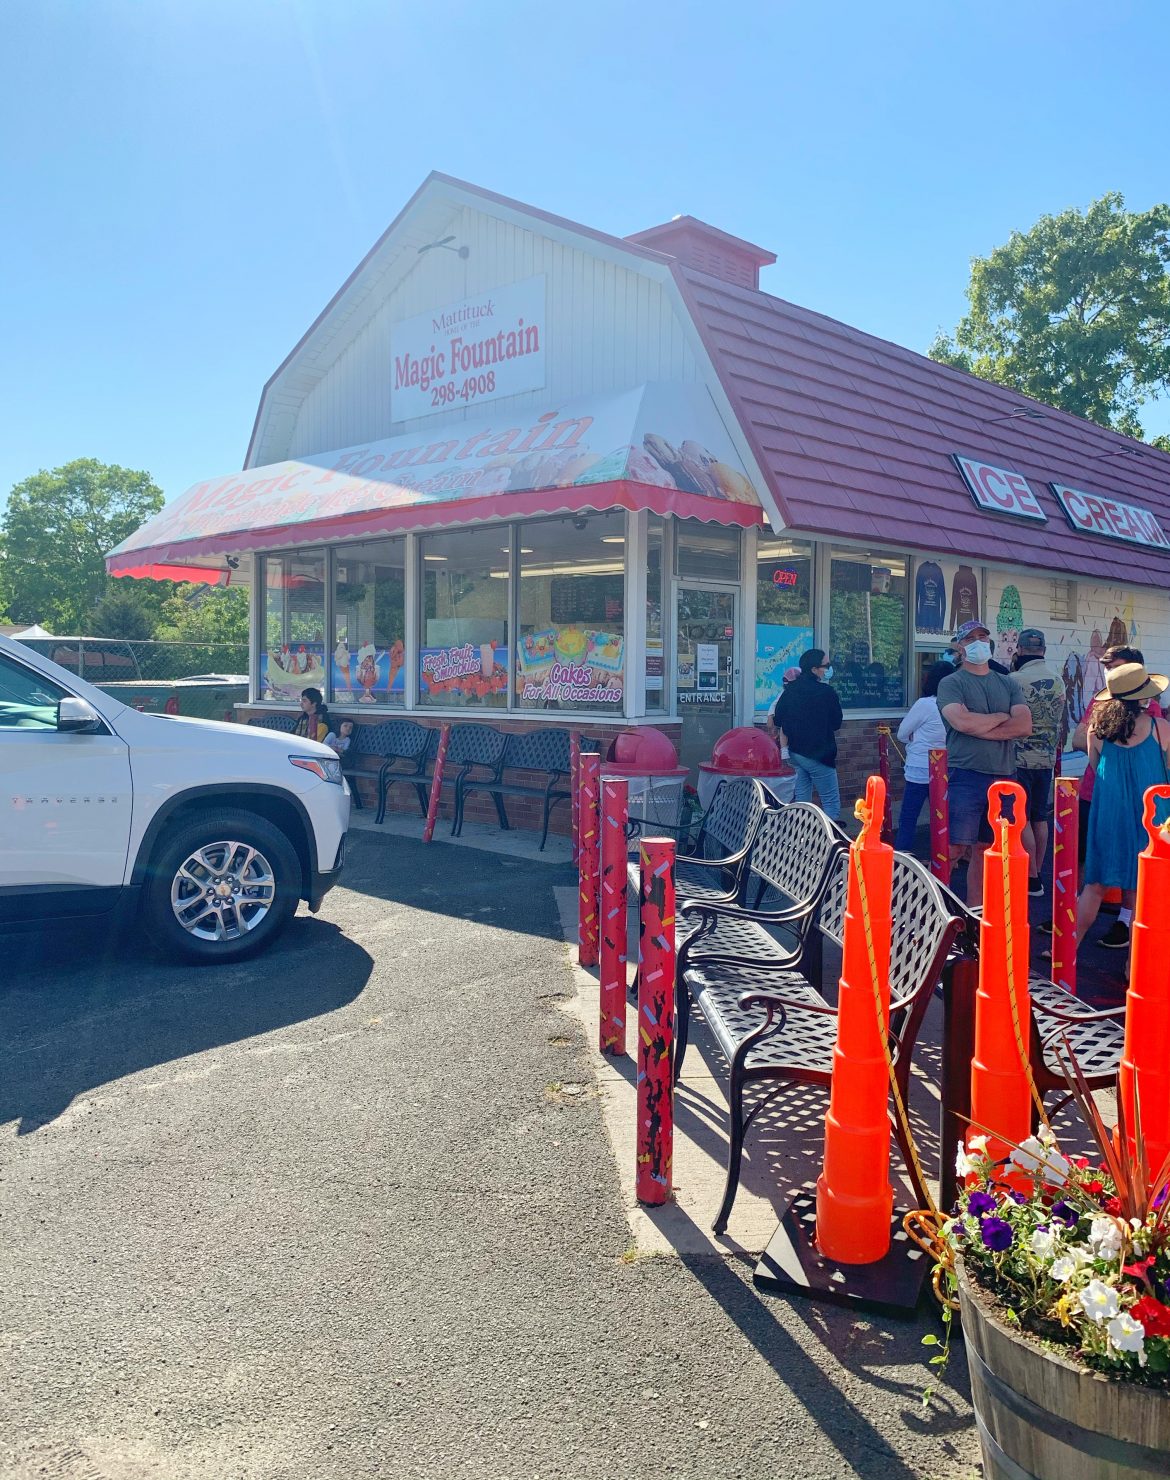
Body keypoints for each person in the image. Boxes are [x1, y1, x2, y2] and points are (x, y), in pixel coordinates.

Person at [1071, 645, 1167, 949]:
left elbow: (1094, 766)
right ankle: (1133, 965)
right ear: (1140, 697)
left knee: (1094, 886)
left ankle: (1065, 951)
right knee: (1146, 889)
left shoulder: (1096, 729)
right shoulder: (1160, 728)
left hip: (1108, 812)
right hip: (1151, 815)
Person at [936, 619, 1032, 903]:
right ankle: (933, 906)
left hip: (1004, 775)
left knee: (986, 848)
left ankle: (976, 909)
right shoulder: (951, 683)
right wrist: (1002, 717)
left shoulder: (1007, 682)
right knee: (952, 848)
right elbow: (961, 722)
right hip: (965, 774)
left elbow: (1024, 726)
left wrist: (982, 725)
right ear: (959, 646)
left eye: (983, 636)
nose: (979, 642)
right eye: (971, 638)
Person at [1011, 629, 1067, 898]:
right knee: (1039, 817)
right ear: (1043, 650)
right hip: (1046, 756)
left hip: (1019, 757)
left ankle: (1030, 875)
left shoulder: (1015, 680)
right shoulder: (1058, 680)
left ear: (1020, 650)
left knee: (1020, 816)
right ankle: (1039, 871)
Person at [771, 648, 843, 820]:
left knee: (802, 802)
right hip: (820, 755)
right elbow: (836, 723)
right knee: (831, 805)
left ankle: (801, 838)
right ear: (814, 669)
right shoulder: (827, 692)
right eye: (826, 666)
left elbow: (778, 718)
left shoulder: (790, 690)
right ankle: (826, 843)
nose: (828, 669)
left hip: (796, 753)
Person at [893, 662, 949, 852]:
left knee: (909, 816)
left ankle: (902, 856)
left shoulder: (925, 704)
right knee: (942, 817)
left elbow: (902, 733)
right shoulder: (959, 706)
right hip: (946, 768)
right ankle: (943, 858)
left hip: (919, 767)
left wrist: (913, 738)